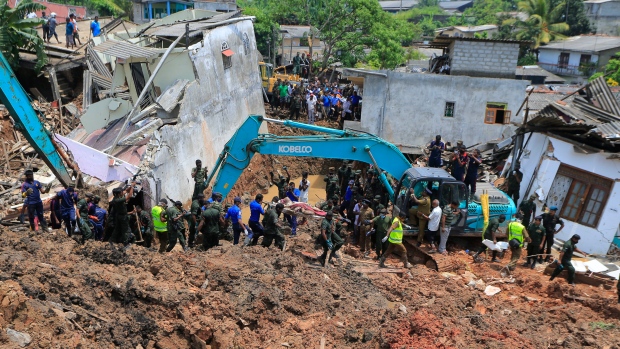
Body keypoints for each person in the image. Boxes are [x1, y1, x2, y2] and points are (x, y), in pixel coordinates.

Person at [109, 184, 135, 249]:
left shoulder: (116, 198)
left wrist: (130, 186)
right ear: (118, 194)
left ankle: (112, 240)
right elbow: (129, 196)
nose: (122, 192)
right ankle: (126, 243)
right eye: (121, 192)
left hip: (120, 216)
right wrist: (132, 187)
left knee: (117, 229)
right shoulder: (117, 200)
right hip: (123, 217)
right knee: (126, 230)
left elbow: (126, 191)